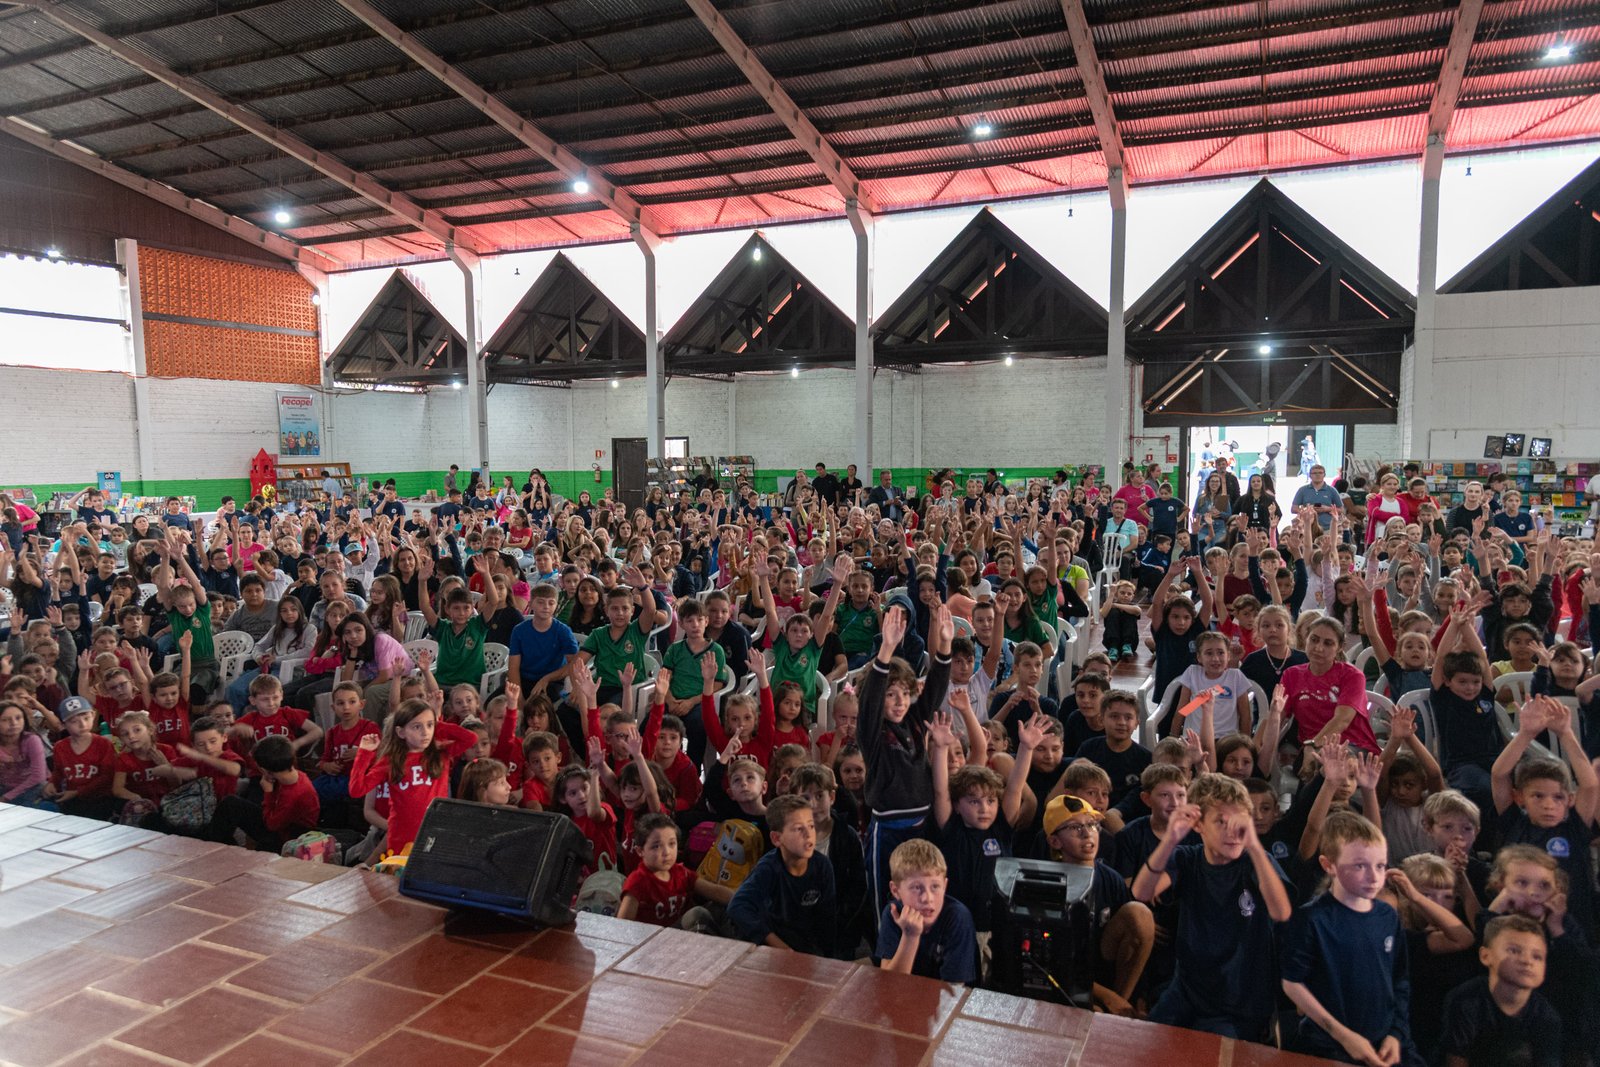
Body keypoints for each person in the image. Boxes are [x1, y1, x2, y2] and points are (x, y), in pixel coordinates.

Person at [1133, 773, 1294, 1040]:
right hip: (1187, 990)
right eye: (1220, 821)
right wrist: (1169, 840)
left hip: (1239, 1002)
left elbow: (1281, 912)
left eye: (1239, 821)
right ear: (1198, 825)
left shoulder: (1256, 861)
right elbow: (1142, 892)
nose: (1233, 832)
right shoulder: (1187, 858)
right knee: (1146, 1044)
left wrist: (1254, 847)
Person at [1281, 811, 1420, 1066]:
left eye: (1380, 866)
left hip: (1384, 1040)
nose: (1374, 877)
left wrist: (1396, 1033)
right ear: (1329, 865)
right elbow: (1292, 983)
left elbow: (1399, 979)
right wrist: (1343, 1036)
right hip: (1330, 1045)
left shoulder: (1388, 915)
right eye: (1359, 866)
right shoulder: (1312, 919)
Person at [727, 794, 837, 955]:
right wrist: (781, 947)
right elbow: (737, 907)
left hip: (807, 950)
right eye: (799, 829)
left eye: (811, 826)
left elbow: (827, 922)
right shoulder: (768, 868)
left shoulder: (822, 866)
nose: (808, 834)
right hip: (772, 950)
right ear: (776, 838)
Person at [877, 838, 977, 982]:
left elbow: (954, 990)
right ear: (895, 890)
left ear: (945, 886)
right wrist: (910, 936)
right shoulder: (893, 913)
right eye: (917, 887)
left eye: (935, 887)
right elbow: (890, 984)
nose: (927, 898)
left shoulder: (958, 917)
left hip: (948, 994)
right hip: (907, 991)